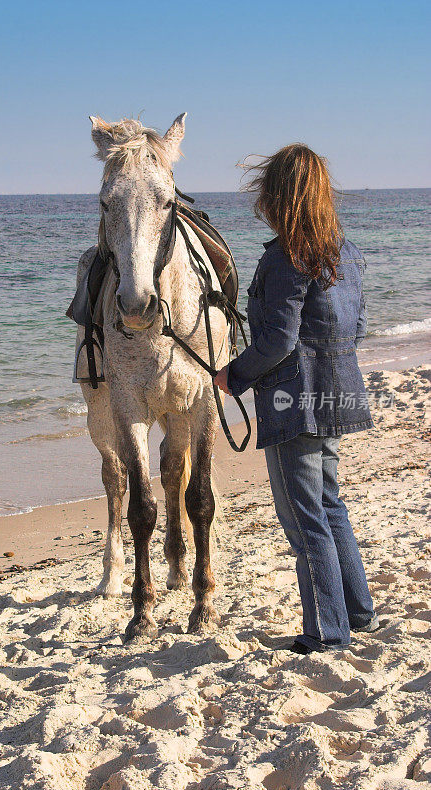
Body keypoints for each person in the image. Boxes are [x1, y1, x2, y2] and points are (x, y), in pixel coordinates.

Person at [213, 144, 378, 654]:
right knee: (330, 505)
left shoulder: (288, 255)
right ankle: (358, 613)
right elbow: (360, 326)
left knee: (306, 519)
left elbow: (279, 341)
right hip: (338, 394)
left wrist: (233, 375)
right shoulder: (345, 250)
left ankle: (328, 632)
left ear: (277, 194)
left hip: (296, 403)